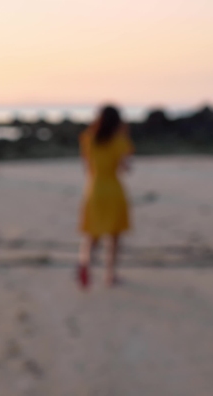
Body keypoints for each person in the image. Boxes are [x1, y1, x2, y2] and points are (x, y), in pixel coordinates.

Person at [78, 104, 134, 288]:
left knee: (92, 234)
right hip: (113, 189)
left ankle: (85, 262)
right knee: (114, 236)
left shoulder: (88, 138)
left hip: (94, 189)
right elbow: (125, 168)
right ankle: (110, 274)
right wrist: (124, 137)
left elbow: (87, 167)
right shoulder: (120, 141)